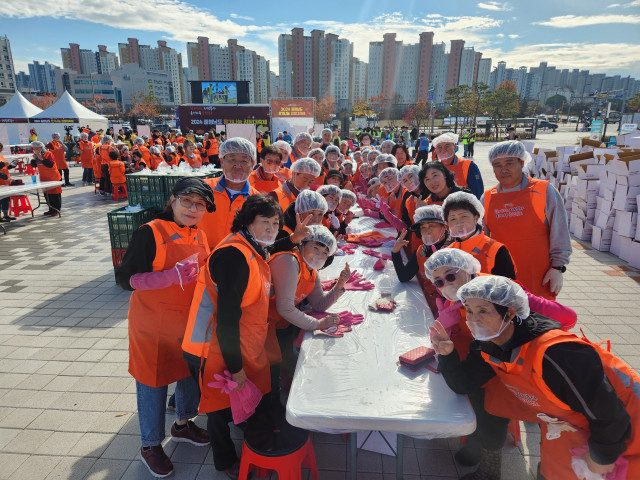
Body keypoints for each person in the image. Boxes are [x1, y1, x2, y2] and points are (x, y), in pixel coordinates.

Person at [431, 275, 639, 480]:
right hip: (568, 424)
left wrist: (602, 457)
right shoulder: (488, 344)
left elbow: (607, 410)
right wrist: (447, 355)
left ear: (510, 313)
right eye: (469, 310)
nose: (473, 319)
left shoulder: (555, 353)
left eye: (483, 311)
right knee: (552, 471)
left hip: (623, 427)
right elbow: (463, 384)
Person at [116, 178, 215, 478]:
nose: (193, 208)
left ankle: (182, 425)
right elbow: (125, 279)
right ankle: (150, 445)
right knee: (153, 382)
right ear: (172, 200)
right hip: (153, 324)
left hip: (189, 320)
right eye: (187, 200)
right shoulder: (151, 232)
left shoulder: (200, 234)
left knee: (188, 373)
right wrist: (169, 277)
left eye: (200, 204)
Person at [182, 194, 282, 479]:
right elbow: (226, 322)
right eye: (265, 222)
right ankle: (225, 461)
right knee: (218, 407)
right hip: (209, 345)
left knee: (240, 397)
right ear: (248, 223)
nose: (271, 229)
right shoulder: (234, 256)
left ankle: (250, 436)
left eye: (276, 223)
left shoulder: (252, 247)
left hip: (236, 341)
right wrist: (236, 369)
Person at [268, 225, 349, 398]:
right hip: (261, 326)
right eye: (316, 248)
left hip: (280, 326)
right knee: (266, 378)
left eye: (325, 253)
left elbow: (319, 304)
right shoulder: (290, 261)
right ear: (302, 244)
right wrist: (317, 324)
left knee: (278, 369)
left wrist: (339, 285)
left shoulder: (311, 269)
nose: (320, 255)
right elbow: (285, 308)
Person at [483, 141, 571, 299]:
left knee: (537, 314)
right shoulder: (488, 197)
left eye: (509, 163)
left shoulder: (543, 191)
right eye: (497, 165)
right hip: (502, 278)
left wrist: (557, 268)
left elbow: (560, 231)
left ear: (522, 163)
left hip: (539, 277)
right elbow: (482, 239)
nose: (503, 169)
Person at [199, 138, 259, 250]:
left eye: (244, 160)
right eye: (232, 159)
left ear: (252, 164)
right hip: (200, 256)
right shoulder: (202, 189)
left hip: (234, 257)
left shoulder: (256, 200)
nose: (238, 165)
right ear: (222, 162)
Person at [391, 205, 451, 314]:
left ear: (444, 227)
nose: (427, 231)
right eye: (423, 227)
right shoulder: (421, 251)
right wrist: (395, 252)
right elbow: (404, 276)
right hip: (427, 307)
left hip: (450, 312)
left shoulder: (455, 250)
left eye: (431, 226)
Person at [442, 191, 516, 279]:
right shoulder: (447, 253)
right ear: (447, 223)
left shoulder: (496, 250)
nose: (459, 223)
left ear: (476, 217)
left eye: (464, 216)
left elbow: (509, 285)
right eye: (453, 219)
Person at [432, 132, 484, 199]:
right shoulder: (432, 168)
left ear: (455, 147)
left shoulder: (469, 166)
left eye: (447, 146)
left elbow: (478, 195)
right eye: (439, 147)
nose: (443, 149)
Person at [30, 141, 62, 217]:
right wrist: (34, 159)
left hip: (53, 177)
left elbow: (50, 165)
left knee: (55, 194)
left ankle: (57, 210)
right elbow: (33, 165)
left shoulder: (48, 154)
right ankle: (51, 209)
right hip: (44, 178)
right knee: (47, 194)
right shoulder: (36, 155)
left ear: (41, 147)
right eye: (33, 148)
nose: (34, 150)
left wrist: (41, 158)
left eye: (36, 148)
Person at [0, 143, 17, 222]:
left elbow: (6, 167)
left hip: (6, 181)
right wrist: (3, 164)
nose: (0, 149)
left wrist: (13, 164)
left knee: (6, 199)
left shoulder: (1, 156)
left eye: (1, 148)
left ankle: (6, 214)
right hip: (2, 180)